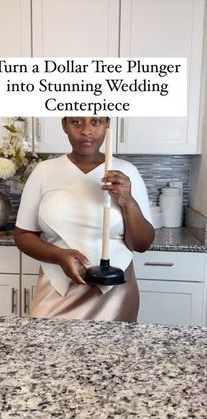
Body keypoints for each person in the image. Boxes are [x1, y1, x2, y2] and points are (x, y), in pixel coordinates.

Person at [14, 116, 154, 321]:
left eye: (96, 122)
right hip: (57, 288)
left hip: (113, 293)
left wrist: (128, 201)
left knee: (112, 353)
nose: (86, 131)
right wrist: (59, 256)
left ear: (107, 124)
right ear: (64, 125)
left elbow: (142, 244)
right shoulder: (44, 172)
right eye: (77, 122)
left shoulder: (127, 172)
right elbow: (23, 235)